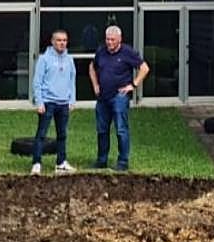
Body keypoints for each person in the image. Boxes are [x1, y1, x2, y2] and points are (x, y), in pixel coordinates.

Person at [89, 25, 149, 172]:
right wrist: (95, 84)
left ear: (119, 39)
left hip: (119, 97)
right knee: (102, 130)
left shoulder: (127, 52)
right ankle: (101, 160)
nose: (109, 42)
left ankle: (123, 161)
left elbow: (144, 68)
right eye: (107, 39)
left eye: (112, 40)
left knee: (121, 129)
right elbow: (92, 67)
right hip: (103, 97)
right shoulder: (101, 51)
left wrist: (133, 85)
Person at [30, 30, 77, 175]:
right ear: (52, 41)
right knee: (42, 134)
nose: (62, 43)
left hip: (63, 103)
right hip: (48, 102)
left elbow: (71, 81)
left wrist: (72, 100)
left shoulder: (69, 59)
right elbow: (37, 82)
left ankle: (61, 162)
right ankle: (37, 163)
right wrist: (39, 102)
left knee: (62, 134)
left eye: (64, 40)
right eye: (59, 40)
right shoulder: (44, 59)